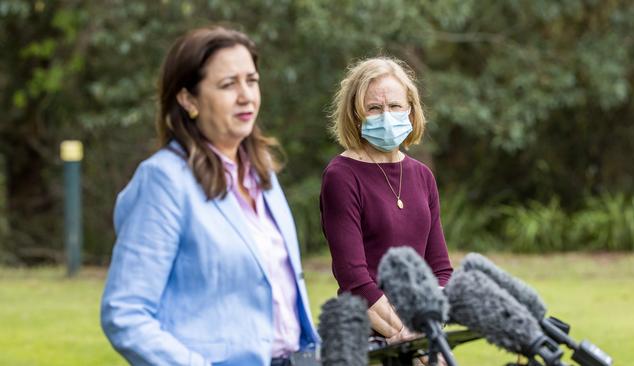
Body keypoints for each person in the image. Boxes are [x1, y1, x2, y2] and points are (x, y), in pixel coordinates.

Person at [100, 26, 319, 366]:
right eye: (228, 84)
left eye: (252, 80)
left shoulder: (263, 175)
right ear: (188, 99)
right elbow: (124, 314)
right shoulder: (164, 180)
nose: (246, 95)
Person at [320, 57, 454, 345]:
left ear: (411, 110)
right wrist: (407, 337)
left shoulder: (422, 176)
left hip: (422, 331)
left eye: (394, 106)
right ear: (357, 116)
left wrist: (429, 327)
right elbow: (353, 278)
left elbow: (441, 269)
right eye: (374, 108)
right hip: (367, 337)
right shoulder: (341, 176)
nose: (386, 116)